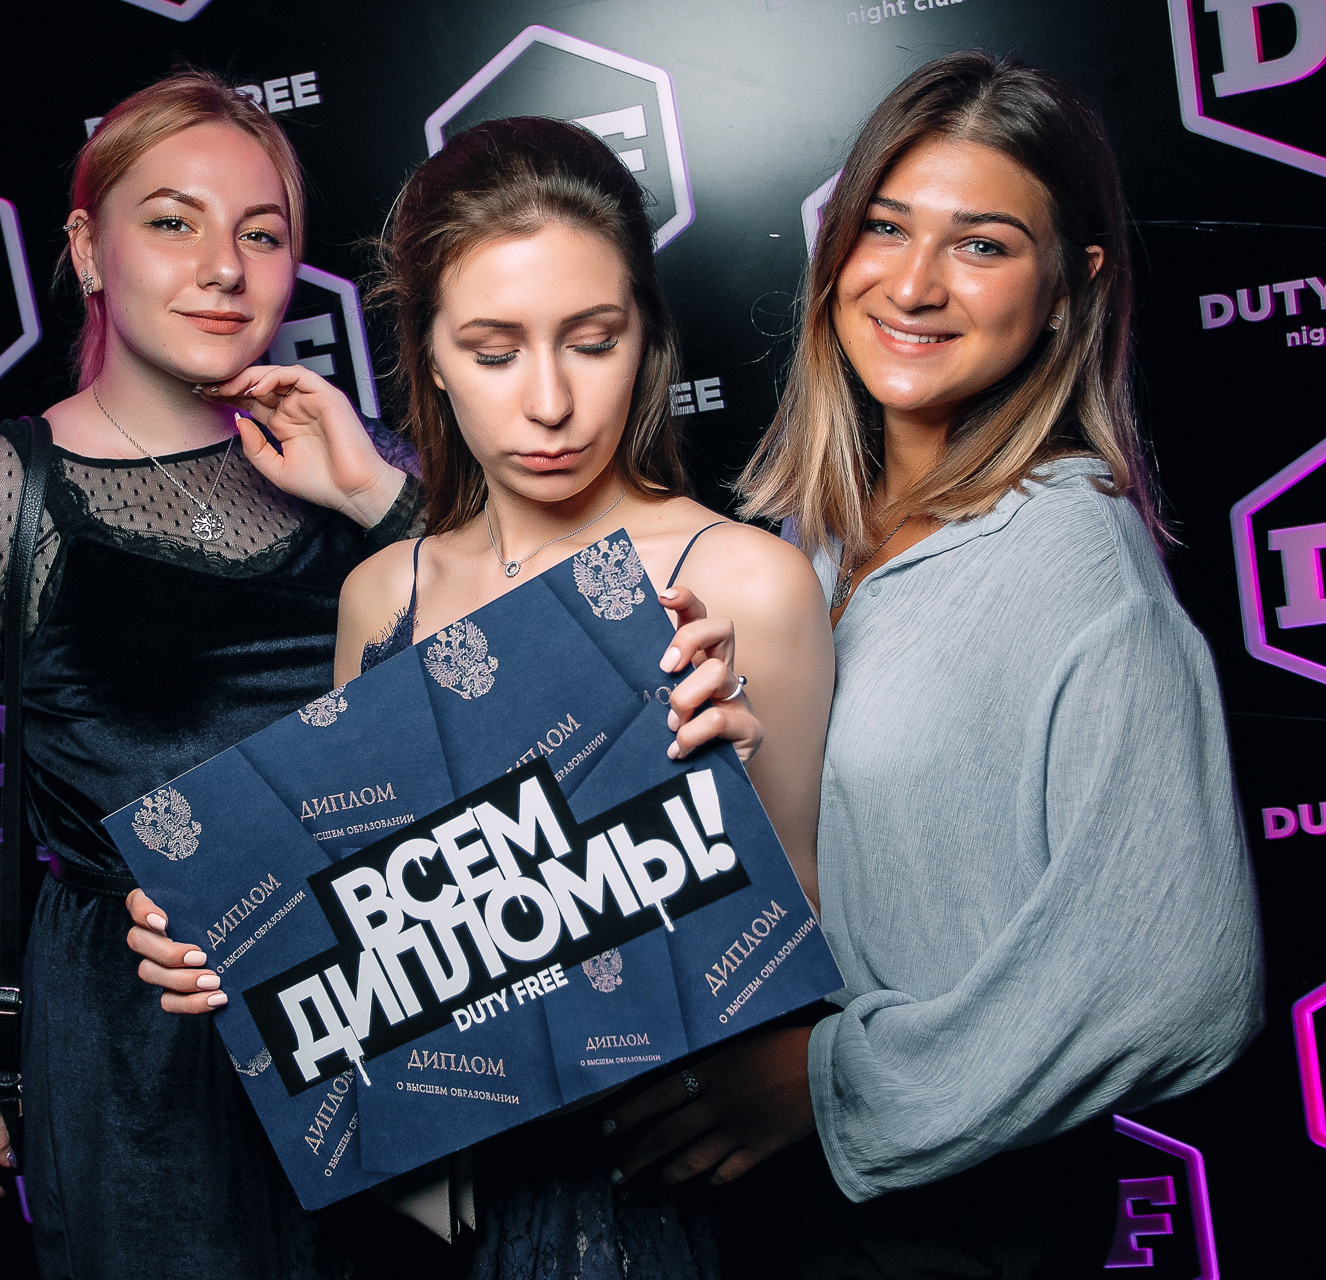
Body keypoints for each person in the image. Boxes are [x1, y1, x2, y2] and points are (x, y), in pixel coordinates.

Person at [126, 115, 835, 1278]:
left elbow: (808, 944)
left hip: (659, 1202)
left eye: (592, 341)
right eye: (495, 351)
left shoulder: (747, 580)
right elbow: (373, 931)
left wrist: (726, 791)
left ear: (646, 336)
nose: (550, 402)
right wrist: (223, 937)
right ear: (433, 356)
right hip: (435, 1215)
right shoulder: (382, 594)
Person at [602, 51, 1267, 1277]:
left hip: (953, 1234)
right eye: (886, 226)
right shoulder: (813, 535)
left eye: (982, 245)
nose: (912, 284)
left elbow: (1186, 980)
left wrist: (830, 1081)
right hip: (770, 1214)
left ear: (1071, 286)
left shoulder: (1078, 564)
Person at [0, 69, 436, 1279]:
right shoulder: (3, 490)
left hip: (390, 994)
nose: (224, 267)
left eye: (261, 233)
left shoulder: (362, 461)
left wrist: (380, 496)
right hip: (142, 1049)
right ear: (87, 249)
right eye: (173, 221)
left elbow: (520, 680)